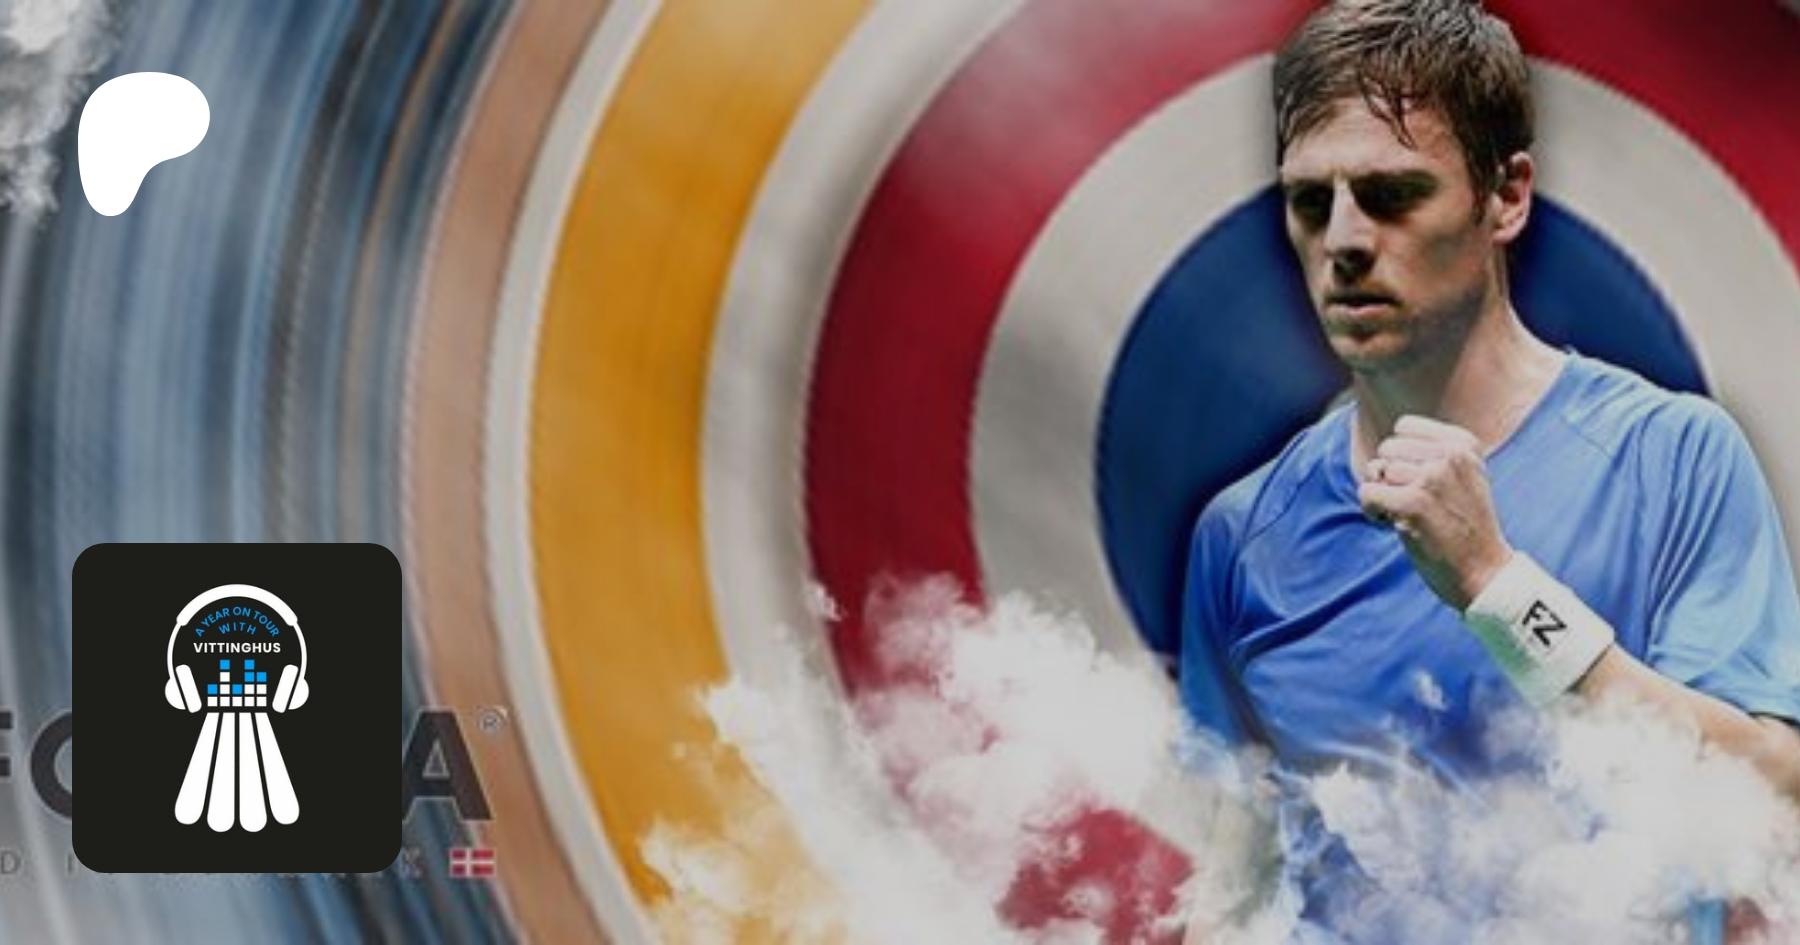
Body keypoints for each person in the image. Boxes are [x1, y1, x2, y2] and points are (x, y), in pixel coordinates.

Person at [1178, 0, 1800, 939]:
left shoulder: (1672, 456)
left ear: (1505, 195)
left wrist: (1498, 589)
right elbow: (1237, 869)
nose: (1344, 241)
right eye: (1310, 202)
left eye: (1392, 194)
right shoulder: (1241, 534)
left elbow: (1771, 796)